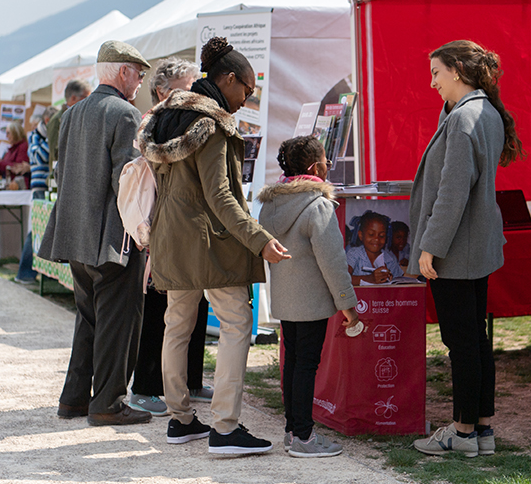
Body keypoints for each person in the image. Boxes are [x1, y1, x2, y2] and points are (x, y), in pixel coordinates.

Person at [138, 36, 290, 454]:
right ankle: (225, 427)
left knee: (177, 324)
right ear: (227, 79)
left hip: (169, 237)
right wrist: (260, 241)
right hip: (206, 240)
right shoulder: (213, 125)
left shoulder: (164, 117)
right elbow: (220, 197)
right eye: (247, 89)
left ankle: (180, 419)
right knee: (238, 322)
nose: (247, 98)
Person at [410, 40, 523, 458]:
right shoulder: (482, 111)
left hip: (456, 251)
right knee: (475, 341)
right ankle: (481, 430)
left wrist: (429, 247)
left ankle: (461, 433)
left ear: (457, 70)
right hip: (476, 246)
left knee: (463, 344)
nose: (433, 81)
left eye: (437, 72)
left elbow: (452, 192)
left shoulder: (465, 118)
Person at [38, 40, 152, 426]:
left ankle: (74, 399)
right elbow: (130, 181)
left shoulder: (71, 114)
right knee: (119, 320)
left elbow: (62, 173)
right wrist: (143, 231)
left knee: (87, 318)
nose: (140, 81)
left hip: (74, 233)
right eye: (138, 73)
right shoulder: (125, 114)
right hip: (112, 236)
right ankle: (108, 402)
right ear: (122, 72)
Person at [258, 135, 359, 457]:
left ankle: (293, 430)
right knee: (306, 366)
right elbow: (333, 262)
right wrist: (349, 306)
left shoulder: (272, 205)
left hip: (286, 300)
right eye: (327, 160)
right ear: (316, 167)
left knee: (294, 364)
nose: (329, 165)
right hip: (313, 301)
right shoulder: (318, 206)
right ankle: (303, 436)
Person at [128, 57, 213, 417]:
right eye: (185, 86)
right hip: (163, 224)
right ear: (162, 90)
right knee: (160, 308)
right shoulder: (153, 125)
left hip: (193, 224)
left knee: (197, 303)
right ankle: (145, 386)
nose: (192, 94)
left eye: (195, 86)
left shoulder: (188, 121)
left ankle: (190, 379)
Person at [15, 105, 58, 284]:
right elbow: (40, 156)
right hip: (39, 188)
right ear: (48, 121)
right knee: (36, 231)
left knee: (43, 231)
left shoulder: (41, 136)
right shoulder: (35, 136)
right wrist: (52, 137)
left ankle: (44, 273)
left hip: (49, 188)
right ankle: (25, 273)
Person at [47, 79, 92, 178]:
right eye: (87, 98)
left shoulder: (83, 117)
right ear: (73, 98)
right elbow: (55, 153)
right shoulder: (57, 120)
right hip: (62, 178)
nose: (89, 103)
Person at [346, 212, 403, 285]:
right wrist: (369, 278)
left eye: (382, 236)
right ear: (361, 235)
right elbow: (343, 279)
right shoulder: (354, 254)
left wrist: (391, 278)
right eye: (371, 234)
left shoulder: (390, 258)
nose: (376, 239)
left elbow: (399, 281)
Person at [0, 121, 30, 188]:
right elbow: (4, 169)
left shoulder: (23, 147)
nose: (6, 136)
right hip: (10, 184)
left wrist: (1, 162)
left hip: (18, 186)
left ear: (15, 133)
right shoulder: (11, 149)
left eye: (8, 133)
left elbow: (18, 167)